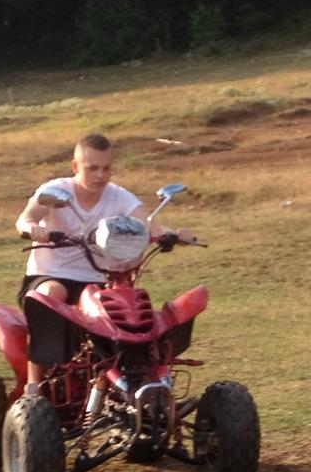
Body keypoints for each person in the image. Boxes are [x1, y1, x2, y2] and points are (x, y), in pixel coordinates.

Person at [15, 131, 194, 399]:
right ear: (76, 167)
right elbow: (26, 218)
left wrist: (174, 234)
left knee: (134, 311)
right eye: (92, 168)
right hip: (51, 275)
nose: (100, 175)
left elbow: (147, 225)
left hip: (98, 281)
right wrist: (32, 228)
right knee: (53, 294)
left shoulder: (120, 197)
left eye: (106, 168)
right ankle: (33, 389)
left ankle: (147, 384)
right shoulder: (55, 191)